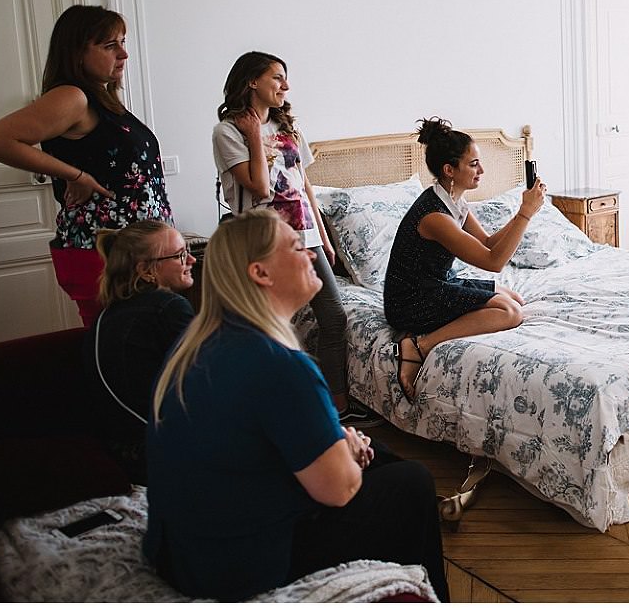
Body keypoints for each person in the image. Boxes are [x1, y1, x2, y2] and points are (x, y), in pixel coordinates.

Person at [144, 210, 449, 601]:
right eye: (293, 245)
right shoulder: (279, 364)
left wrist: (341, 443)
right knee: (412, 483)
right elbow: (339, 490)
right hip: (234, 568)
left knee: (385, 457)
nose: (310, 251)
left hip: (177, 553)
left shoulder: (195, 348)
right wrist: (348, 452)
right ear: (261, 273)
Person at [211, 51, 374, 427]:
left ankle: (337, 407)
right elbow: (259, 186)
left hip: (306, 235)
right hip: (264, 241)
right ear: (252, 81)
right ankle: (267, 408)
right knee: (264, 325)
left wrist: (323, 236)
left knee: (333, 319)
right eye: (277, 78)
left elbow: (305, 186)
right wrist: (254, 136)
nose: (286, 86)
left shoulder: (289, 129)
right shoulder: (229, 131)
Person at [0, 5, 174, 326]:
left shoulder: (101, 99)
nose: (123, 54)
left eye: (123, 42)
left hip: (132, 251)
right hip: (103, 253)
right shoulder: (72, 97)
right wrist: (73, 174)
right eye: (109, 46)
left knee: (141, 343)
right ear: (77, 53)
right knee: (122, 348)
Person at [384, 117, 545, 403]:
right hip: (410, 300)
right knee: (510, 313)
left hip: (435, 283)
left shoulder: (453, 201)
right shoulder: (435, 216)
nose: (481, 170)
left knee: (514, 298)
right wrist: (526, 214)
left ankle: (423, 335)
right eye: (473, 164)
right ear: (449, 170)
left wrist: (523, 211)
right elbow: (494, 261)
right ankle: (418, 345)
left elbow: (486, 243)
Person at [84, 220, 196, 484]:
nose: (191, 259)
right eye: (180, 254)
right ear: (146, 271)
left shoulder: (106, 315)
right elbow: (207, 382)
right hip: (160, 454)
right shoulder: (168, 307)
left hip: (119, 451)